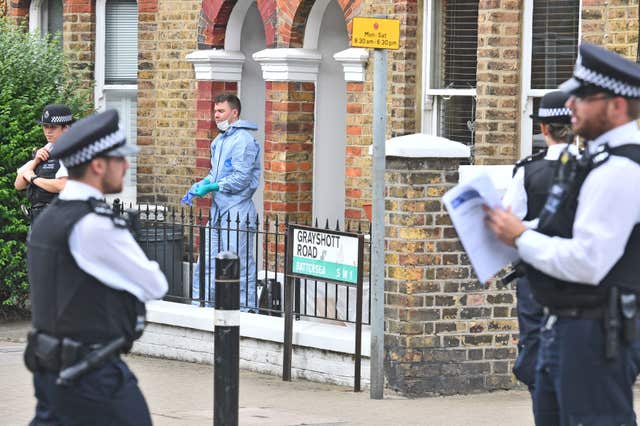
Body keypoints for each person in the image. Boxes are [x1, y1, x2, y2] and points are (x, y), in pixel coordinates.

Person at [485, 42, 640, 425]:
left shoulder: (622, 170)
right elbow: (563, 229)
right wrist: (511, 232)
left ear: (616, 105)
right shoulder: (594, 160)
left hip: (595, 331)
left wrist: (521, 236)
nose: (569, 106)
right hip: (565, 325)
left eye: (582, 97)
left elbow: (588, 261)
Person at [24, 109, 168, 425]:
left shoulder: (49, 218)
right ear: (98, 165)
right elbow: (155, 284)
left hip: (49, 368)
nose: (127, 166)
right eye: (120, 159)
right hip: (92, 373)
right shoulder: (95, 224)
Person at [501, 90, 576, 396]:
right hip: (581, 274)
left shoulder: (528, 171)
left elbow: (507, 225)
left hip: (535, 276)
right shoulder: (595, 167)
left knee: (536, 346)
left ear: (543, 128)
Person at [181, 93, 260, 308]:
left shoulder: (243, 141)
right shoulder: (219, 140)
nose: (216, 115)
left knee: (238, 262)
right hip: (218, 210)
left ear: (234, 113)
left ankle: (245, 309)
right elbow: (216, 174)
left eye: (221, 111)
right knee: (206, 261)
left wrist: (214, 186)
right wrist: (201, 184)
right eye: (215, 111)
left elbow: (241, 178)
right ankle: (203, 305)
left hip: (237, 210)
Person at [14, 104, 74, 222]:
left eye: (53, 127)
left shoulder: (72, 150)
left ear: (66, 128)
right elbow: (18, 184)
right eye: (45, 126)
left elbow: (62, 185)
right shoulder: (46, 150)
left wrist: (33, 178)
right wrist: (36, 161)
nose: (48, 131)